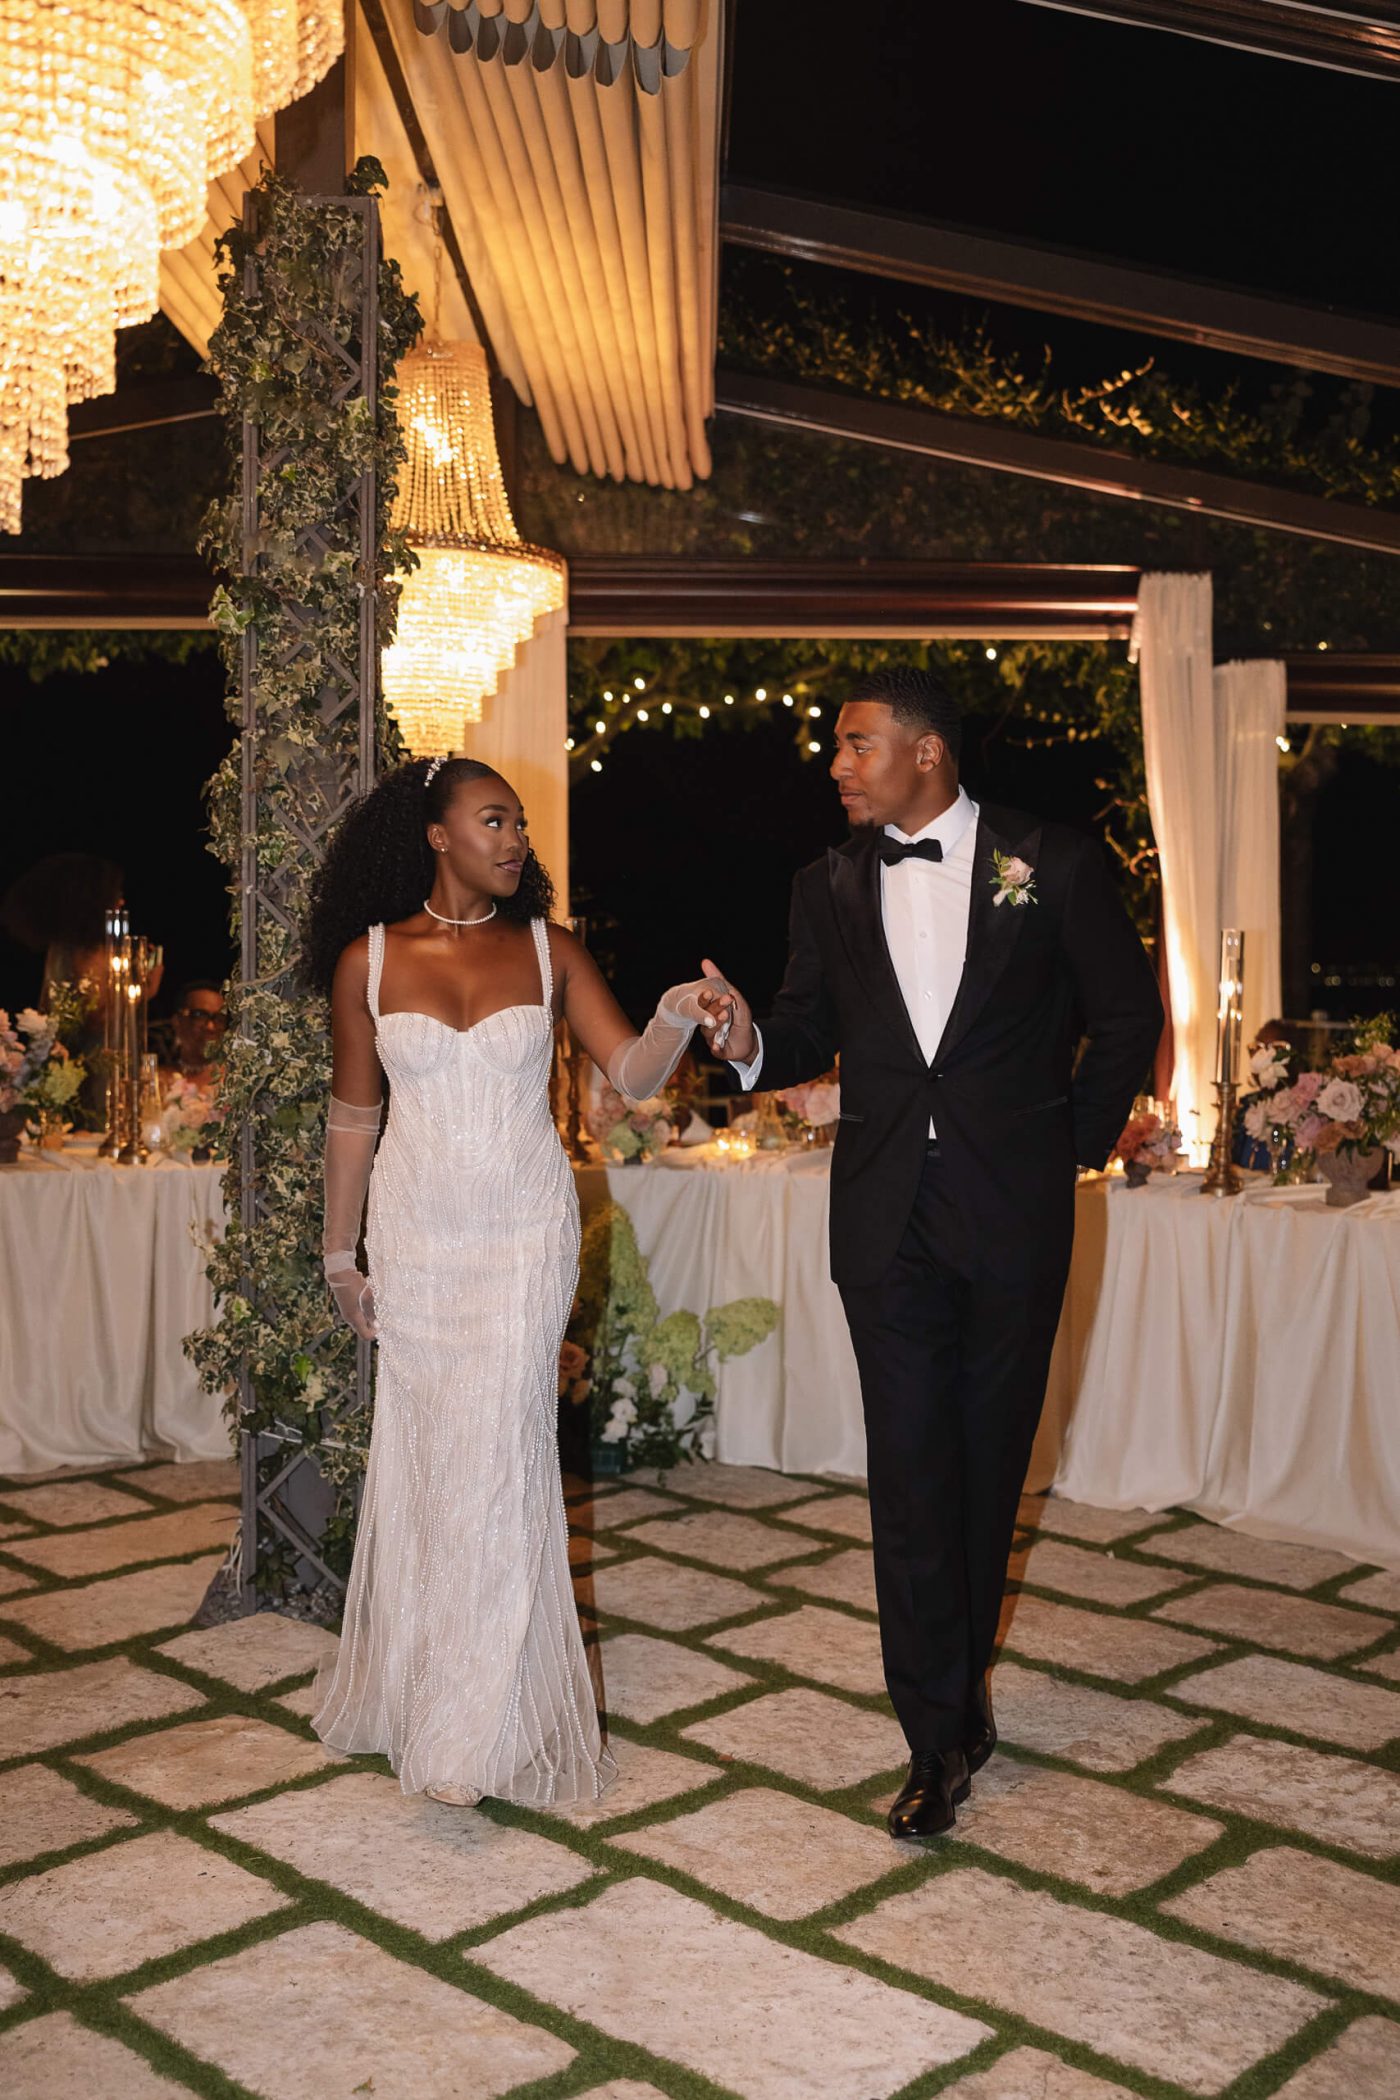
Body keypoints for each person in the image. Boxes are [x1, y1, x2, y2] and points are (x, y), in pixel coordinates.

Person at [701, 666, 1162, 1840]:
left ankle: (960, 1696)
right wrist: (747, 1038)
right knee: (908, 1476)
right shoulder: (822, 886)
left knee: (985, 1466)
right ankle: (932, 1740)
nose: (836, 766)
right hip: (884, 1220)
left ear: (926, 753)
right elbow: (804, 1029)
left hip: (1012, 1214)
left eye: (855, 745)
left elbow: (1125, 1017)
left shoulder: (1048, 861)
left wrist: (1067, 1149)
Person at [303, 754, 733, 1809]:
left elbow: (631, 1073)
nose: (514, 840)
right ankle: (424, 1685)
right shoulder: (366, 960)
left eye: (520, 824)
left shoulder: (550, 950)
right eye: (493, 821)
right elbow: (354, 1116)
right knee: (429, 1454)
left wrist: (677, 1011)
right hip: (417, 1232)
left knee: (502, 1453)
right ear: (436, 834)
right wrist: (339, 1254)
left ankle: (475, 1726)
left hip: (522, 1235)